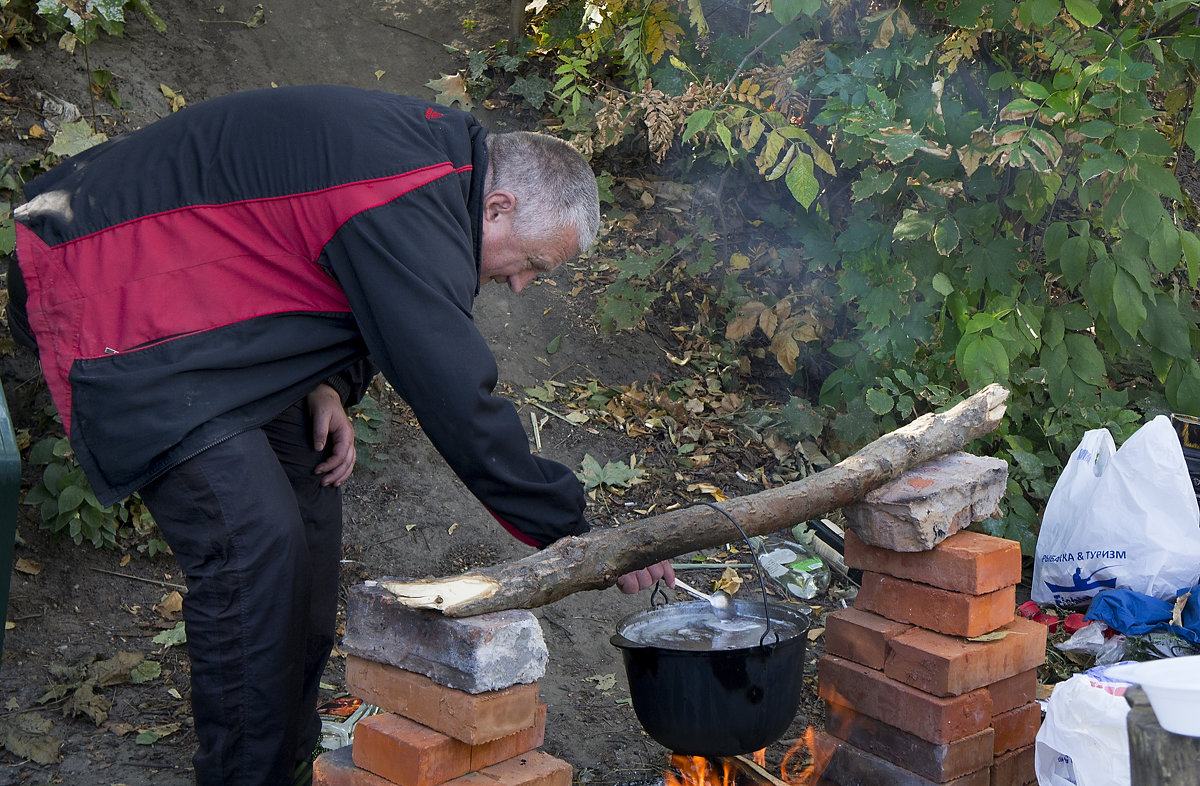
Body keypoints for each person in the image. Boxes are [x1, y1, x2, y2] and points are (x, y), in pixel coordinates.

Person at [8, 85, 674, 786]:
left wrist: (330, 382)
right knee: (252, 547)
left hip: (211, 319)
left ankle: (287, 761)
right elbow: (457, 401)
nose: (520, 286)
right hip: (107, 292)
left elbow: (326, 256)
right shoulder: (414, 195)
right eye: (533, 264)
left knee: (310, 515)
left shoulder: (438, 174)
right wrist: (581, 535)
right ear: (499, 207)